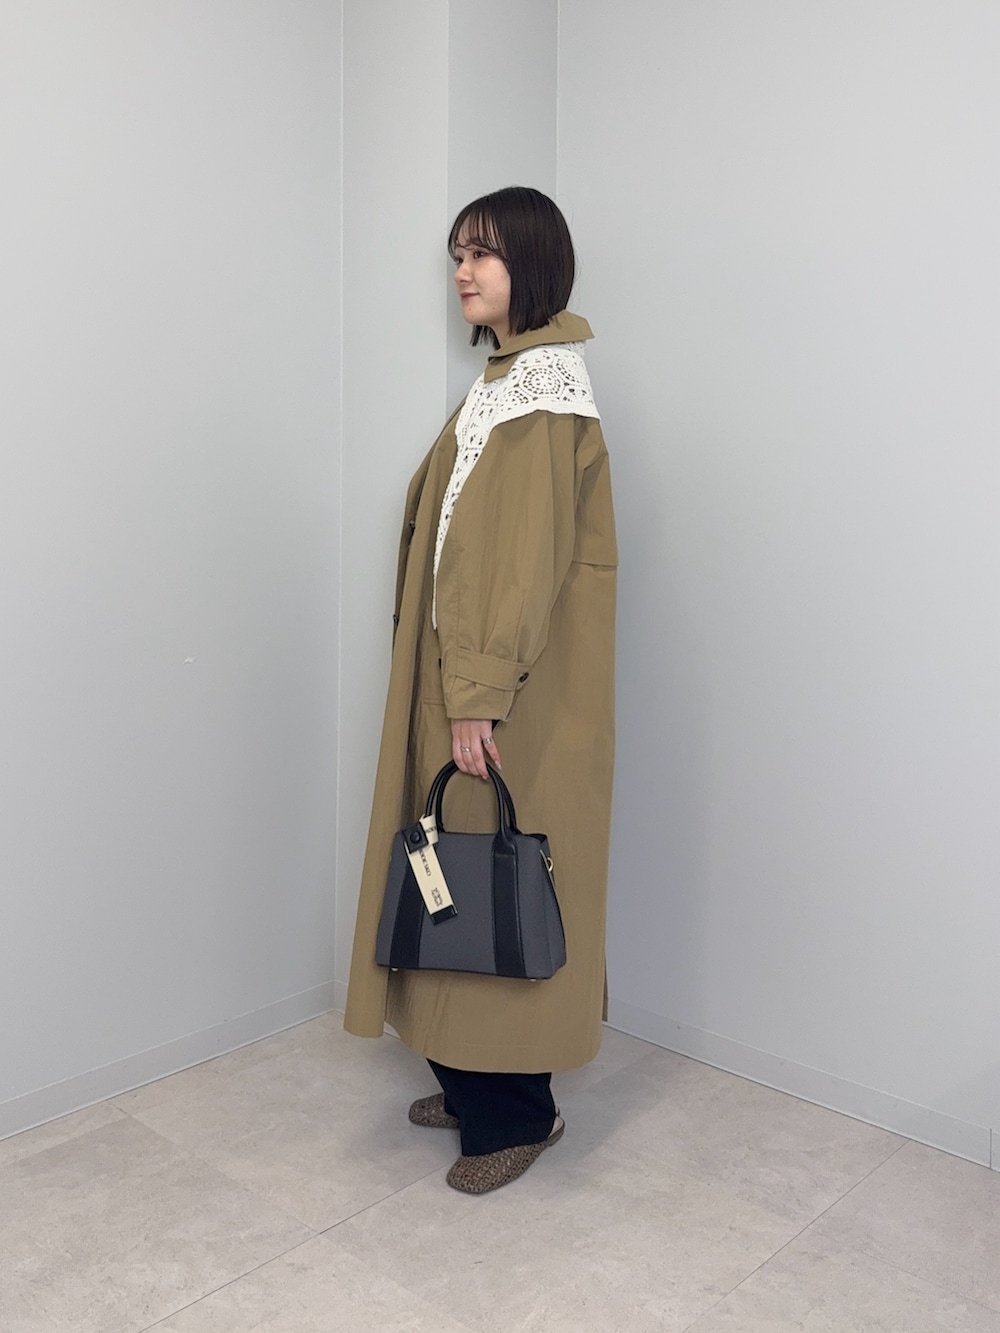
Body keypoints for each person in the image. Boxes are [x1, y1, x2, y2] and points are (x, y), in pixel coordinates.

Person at [344, 186, 617, 1194]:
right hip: (475, 682)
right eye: (458, 254)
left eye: (485, 254)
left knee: (489, 878)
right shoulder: (509, 380)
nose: (463, 271)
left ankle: (517, 1113)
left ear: (532, 265)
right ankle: (469, 1081)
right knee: (460, 875)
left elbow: (514, 562)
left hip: (500, 696)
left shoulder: (537, 394)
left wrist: (477, 692)